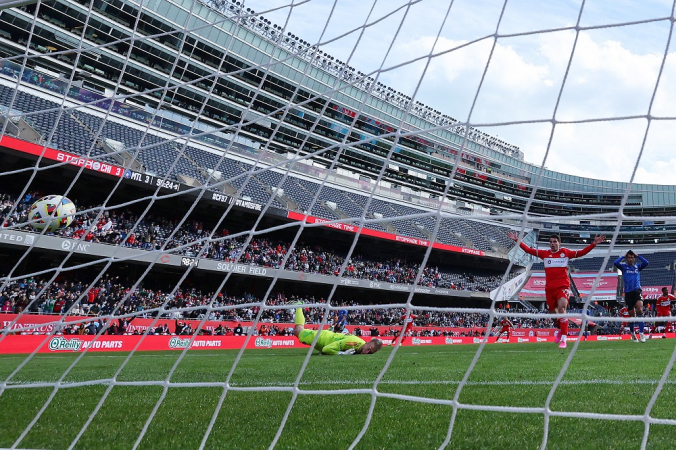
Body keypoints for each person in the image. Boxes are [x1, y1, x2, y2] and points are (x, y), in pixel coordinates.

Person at [508, 231, 606, 349]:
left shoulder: (565, 252)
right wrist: (516, 240)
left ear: (559, 243)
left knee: (562, 309)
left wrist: (594, 243)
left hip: (563, 286)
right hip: (550, 289)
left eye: (555, 242)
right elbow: (528, 250)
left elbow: (581, 253)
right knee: (553, 315)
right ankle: (560, 329)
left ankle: (564, 339)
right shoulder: (544, 254)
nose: (552, 244)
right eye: (550, 242)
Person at [292, 303, 382, 355]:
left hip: (326, 337)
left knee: (299, 330)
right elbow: (326, 349)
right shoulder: (353, 342)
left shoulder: (359, 345)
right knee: (298, 331)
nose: (366, 352)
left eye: (370, 352)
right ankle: (299, 305)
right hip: (320, 338)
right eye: (368, 349)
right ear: (368, 342)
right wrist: (342, 353)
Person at [614, 251, 649, 343]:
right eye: (629, 257)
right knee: (632, 316)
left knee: (640, 309)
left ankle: (641, 333)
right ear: (627, 258)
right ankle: (633, 334)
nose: (630, 259)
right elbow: (615, 263)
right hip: (628, 293)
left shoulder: (637, 267)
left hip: (637, 291)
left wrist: (638, 256)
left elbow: (646, 263)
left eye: (632, 257)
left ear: (634, 258)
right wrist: (623, 256)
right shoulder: (623, 267)